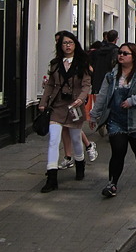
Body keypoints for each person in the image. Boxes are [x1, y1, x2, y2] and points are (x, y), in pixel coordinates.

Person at [89, 42, 136, 198]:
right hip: (116, 120)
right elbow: (103, 96)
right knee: (118, 151)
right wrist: (94, 115)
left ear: (134, 56)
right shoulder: (111, 76)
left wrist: (132, 101)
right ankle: (112, 184)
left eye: (125, 53)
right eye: (120, 52)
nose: (121, 55)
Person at [38, 31, 92, 193]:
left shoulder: (82, 63)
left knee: (76, 139)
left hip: (75, 106)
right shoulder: (55, 63)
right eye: (64, 43)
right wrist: (43, 102)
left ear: (75, 44)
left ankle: (80, 164)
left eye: (70, 42)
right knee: (54, 140)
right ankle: (52, 178)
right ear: (59, 46)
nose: (67, 46)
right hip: (58, 106)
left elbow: (86, 84)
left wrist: (81, 99)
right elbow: (50, 85)